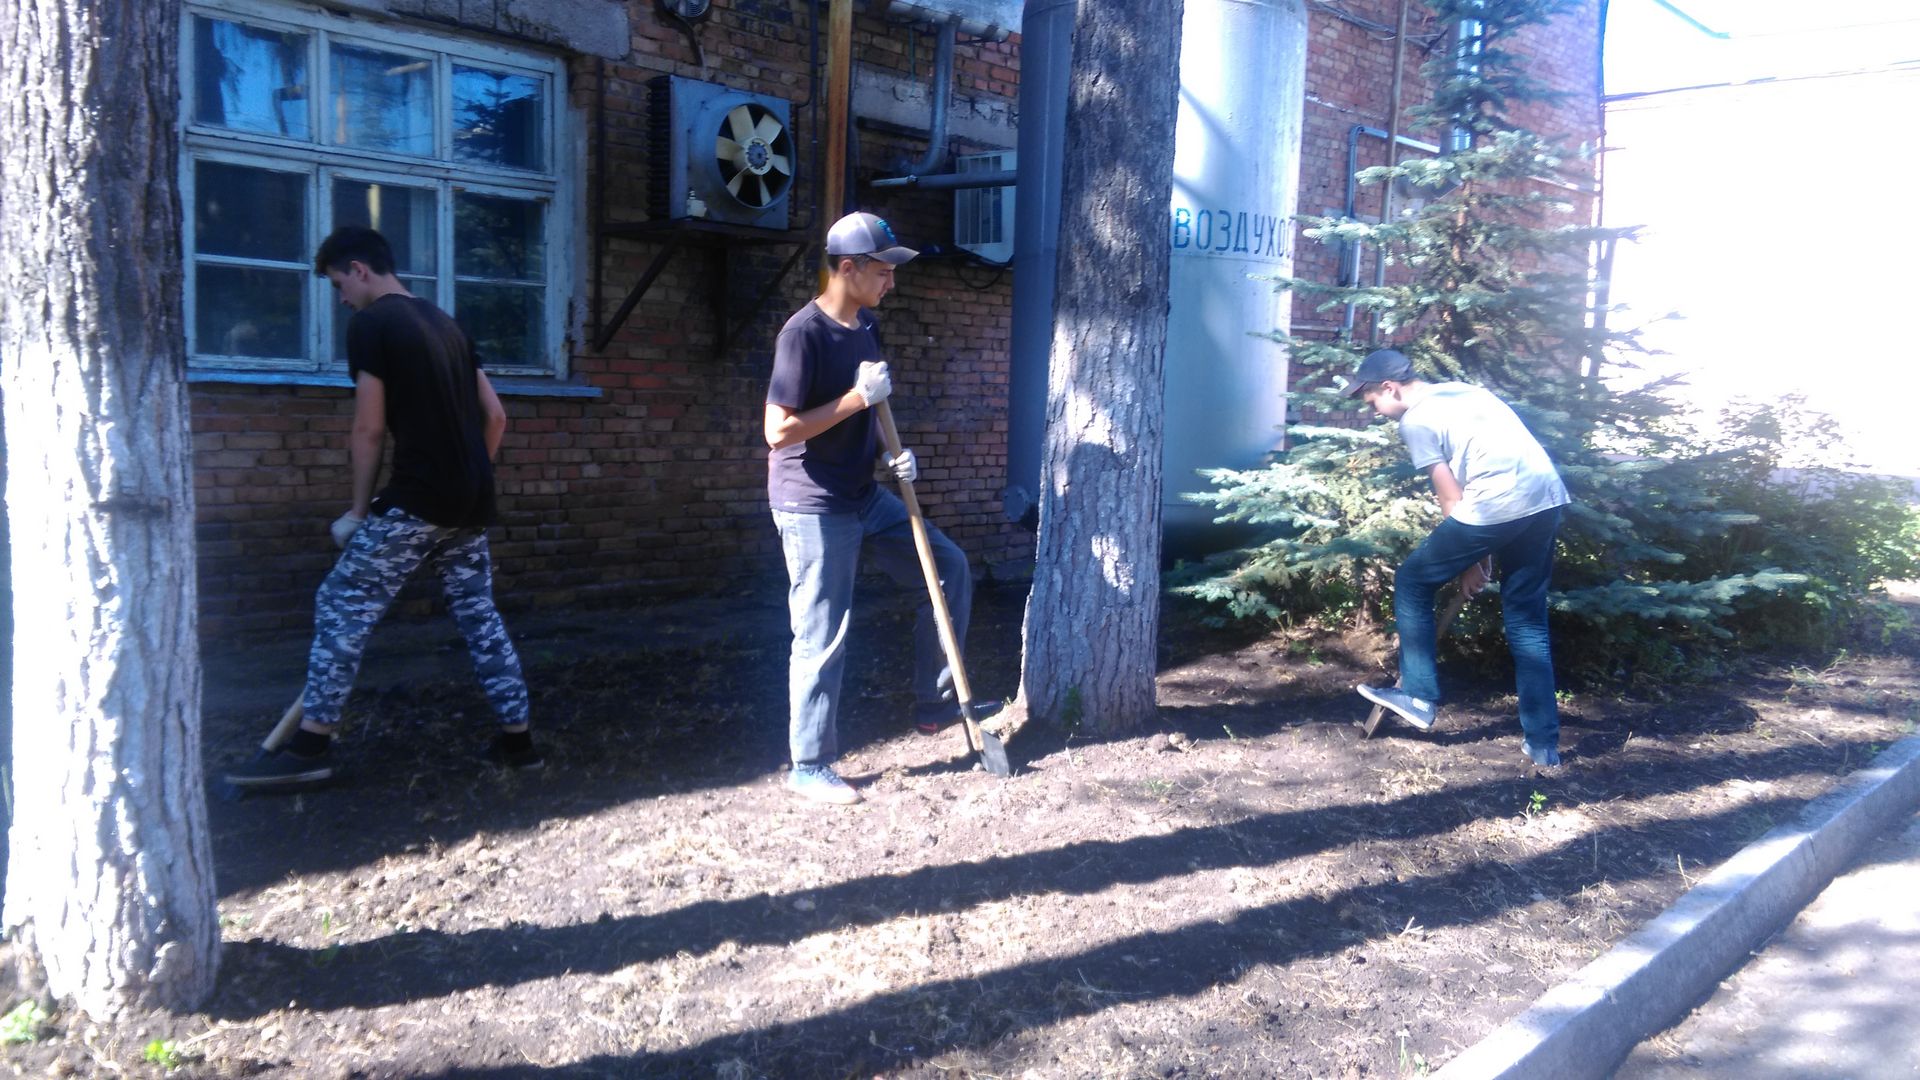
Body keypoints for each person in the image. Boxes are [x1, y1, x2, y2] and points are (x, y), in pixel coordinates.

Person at [224, 226, 538, 789]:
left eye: (338, 283)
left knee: (341, 603)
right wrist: (469, 478)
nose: (341, 298)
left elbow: (368, 429)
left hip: (416, 499)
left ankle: (312, 745)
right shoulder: (446, 324)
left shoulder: (372, 325)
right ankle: (520, 742)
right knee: (479, 618)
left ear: (360, 270)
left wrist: (358, 511)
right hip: (471, 499)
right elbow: (496, 417)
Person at [763, 211, 975, 805]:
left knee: (949, 567)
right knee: (822, 630)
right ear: (848, 268)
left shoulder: (866, 328)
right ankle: (809, 764)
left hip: (863, 492)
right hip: (812, 503)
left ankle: (935, 702)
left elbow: (874, 413)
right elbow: (777, 432)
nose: (891, 282)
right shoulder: (801, 334)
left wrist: (894, 455)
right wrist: (857, 399)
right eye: (883, 271)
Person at [1345, 348, 1572, 768]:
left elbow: (1451, 494)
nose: (1375, 410)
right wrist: (1477, 557)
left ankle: (1417, 695)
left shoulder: (1415, 421)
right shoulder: (1464, 392)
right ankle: (1543, 745)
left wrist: (1471, 562)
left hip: (1499, 504)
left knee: (1413, 580)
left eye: (1373, 400)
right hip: (1545, 499)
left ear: (1390, 388)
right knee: (1527, 620)